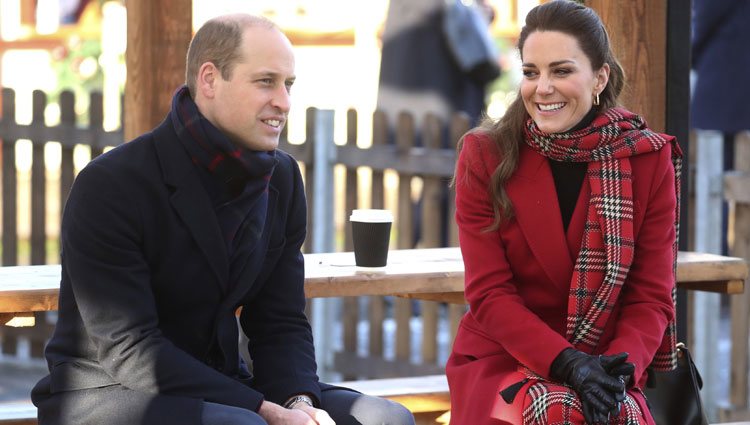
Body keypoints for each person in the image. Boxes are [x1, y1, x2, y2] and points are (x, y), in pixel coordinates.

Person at [30, 14, 415, 425]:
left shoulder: (281, 177)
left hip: (224, 387)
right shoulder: (112, 184)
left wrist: (297, 402)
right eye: (266, 82)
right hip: (104, 392)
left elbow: (279, 320)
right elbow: (129, 348)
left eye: (289, 85)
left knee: (384, 419)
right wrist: (261, 409)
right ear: (210, 80)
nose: (283, 102)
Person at [445, 1, 682, 424]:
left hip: (608, 361)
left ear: (600, 77)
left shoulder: (648, 158)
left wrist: (613, 373)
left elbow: (651, 297)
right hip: (507, 358)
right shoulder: (486, 155)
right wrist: (568, 364)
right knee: (560, 412)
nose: (542, 88)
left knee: (619, 416)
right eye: (531, 72)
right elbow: (490, 296)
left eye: (561, 70)